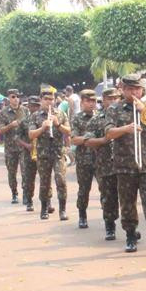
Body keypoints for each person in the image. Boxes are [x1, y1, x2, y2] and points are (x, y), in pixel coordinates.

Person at [104, 74, 146, 253]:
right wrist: (125, 128)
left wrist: (144, 111)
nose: (134, 93)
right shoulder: (114, 109)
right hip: (124, 164)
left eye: (137, 89)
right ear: (123, 90)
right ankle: (130, 235)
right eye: (130, 89)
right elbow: (108, 133)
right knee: (128, 202)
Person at [27, 86, 70, 220]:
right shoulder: (35, 116)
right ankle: (44, 208)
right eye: (46, 99)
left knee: (61, 180)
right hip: (43, 154)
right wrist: (43, 127)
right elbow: (31, 134)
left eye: (51, 99)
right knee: (45, 183)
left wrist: (57, 125)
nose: (49, 102)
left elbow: (69, 131)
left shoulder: (61, 114)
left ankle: (62, 210)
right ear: (41, 100)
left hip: (58, 153)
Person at [86, 87, 121, 239]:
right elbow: (88, 141)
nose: (113, 101)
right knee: (108, 197)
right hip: (105, 164)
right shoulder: (96, 119)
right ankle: (110, 226)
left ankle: (130, 229)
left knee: (127, 198)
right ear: (104, 101)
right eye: (110, 99)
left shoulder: (126, 116)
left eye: (116, 98)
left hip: (124, 164)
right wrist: (104, 140)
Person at [70, 90, 99, 228]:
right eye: (88, 101)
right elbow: (74, 139)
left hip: (101, 159)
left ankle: (109, 219)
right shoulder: (77, 118)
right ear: (82, 103)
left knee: (106, 189)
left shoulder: (100, 116)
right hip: (84, 160)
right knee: (84, 189)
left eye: (94, 101)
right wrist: (88, 139)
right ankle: (82, 215)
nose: (92, 104)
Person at [0, 89, 27, 204]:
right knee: (12, 172)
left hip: (23, 146)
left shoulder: (25, 110)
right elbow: (0, 130)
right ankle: (14, 193)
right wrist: (10, 125)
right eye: (13, 97)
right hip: (10, 148)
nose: (16, 99)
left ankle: (26, 194)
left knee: (25, 171)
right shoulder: (4, 112)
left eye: (17, 97)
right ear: (9, 98)